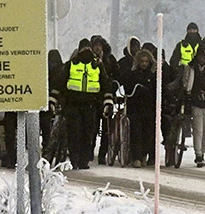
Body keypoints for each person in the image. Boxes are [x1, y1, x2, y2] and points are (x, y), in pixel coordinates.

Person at [54, 39, 107, 170]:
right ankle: (76, 160)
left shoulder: (97, 65)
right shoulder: (71, 64)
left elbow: (105, 84)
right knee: (75, 133)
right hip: (73, 105)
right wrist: (55, 98)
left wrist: (107, 100)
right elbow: (60, 83)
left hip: (90, 105)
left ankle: (82, 160)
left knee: (87, 133)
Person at [119, 45, 158, 167]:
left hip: (149, 108)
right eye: (142, 61)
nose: (144, 64)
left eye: (146, 61)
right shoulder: (132, 74)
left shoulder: (154, 75)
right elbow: (127, 87)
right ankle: (136, 157)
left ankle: (144, 155)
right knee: (136, 131)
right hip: (135, 107)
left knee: (148, 132)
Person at [90, 35, 119, 165]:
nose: (97, 48)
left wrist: (113, 84)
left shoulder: (109, 60)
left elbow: (118, 74)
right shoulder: (89, 59)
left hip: (107, 97)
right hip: (94, 97)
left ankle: (103, 154)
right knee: (93, 127)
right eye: (95, 45)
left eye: (99, 45)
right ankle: (90, 151)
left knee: (107, 127)